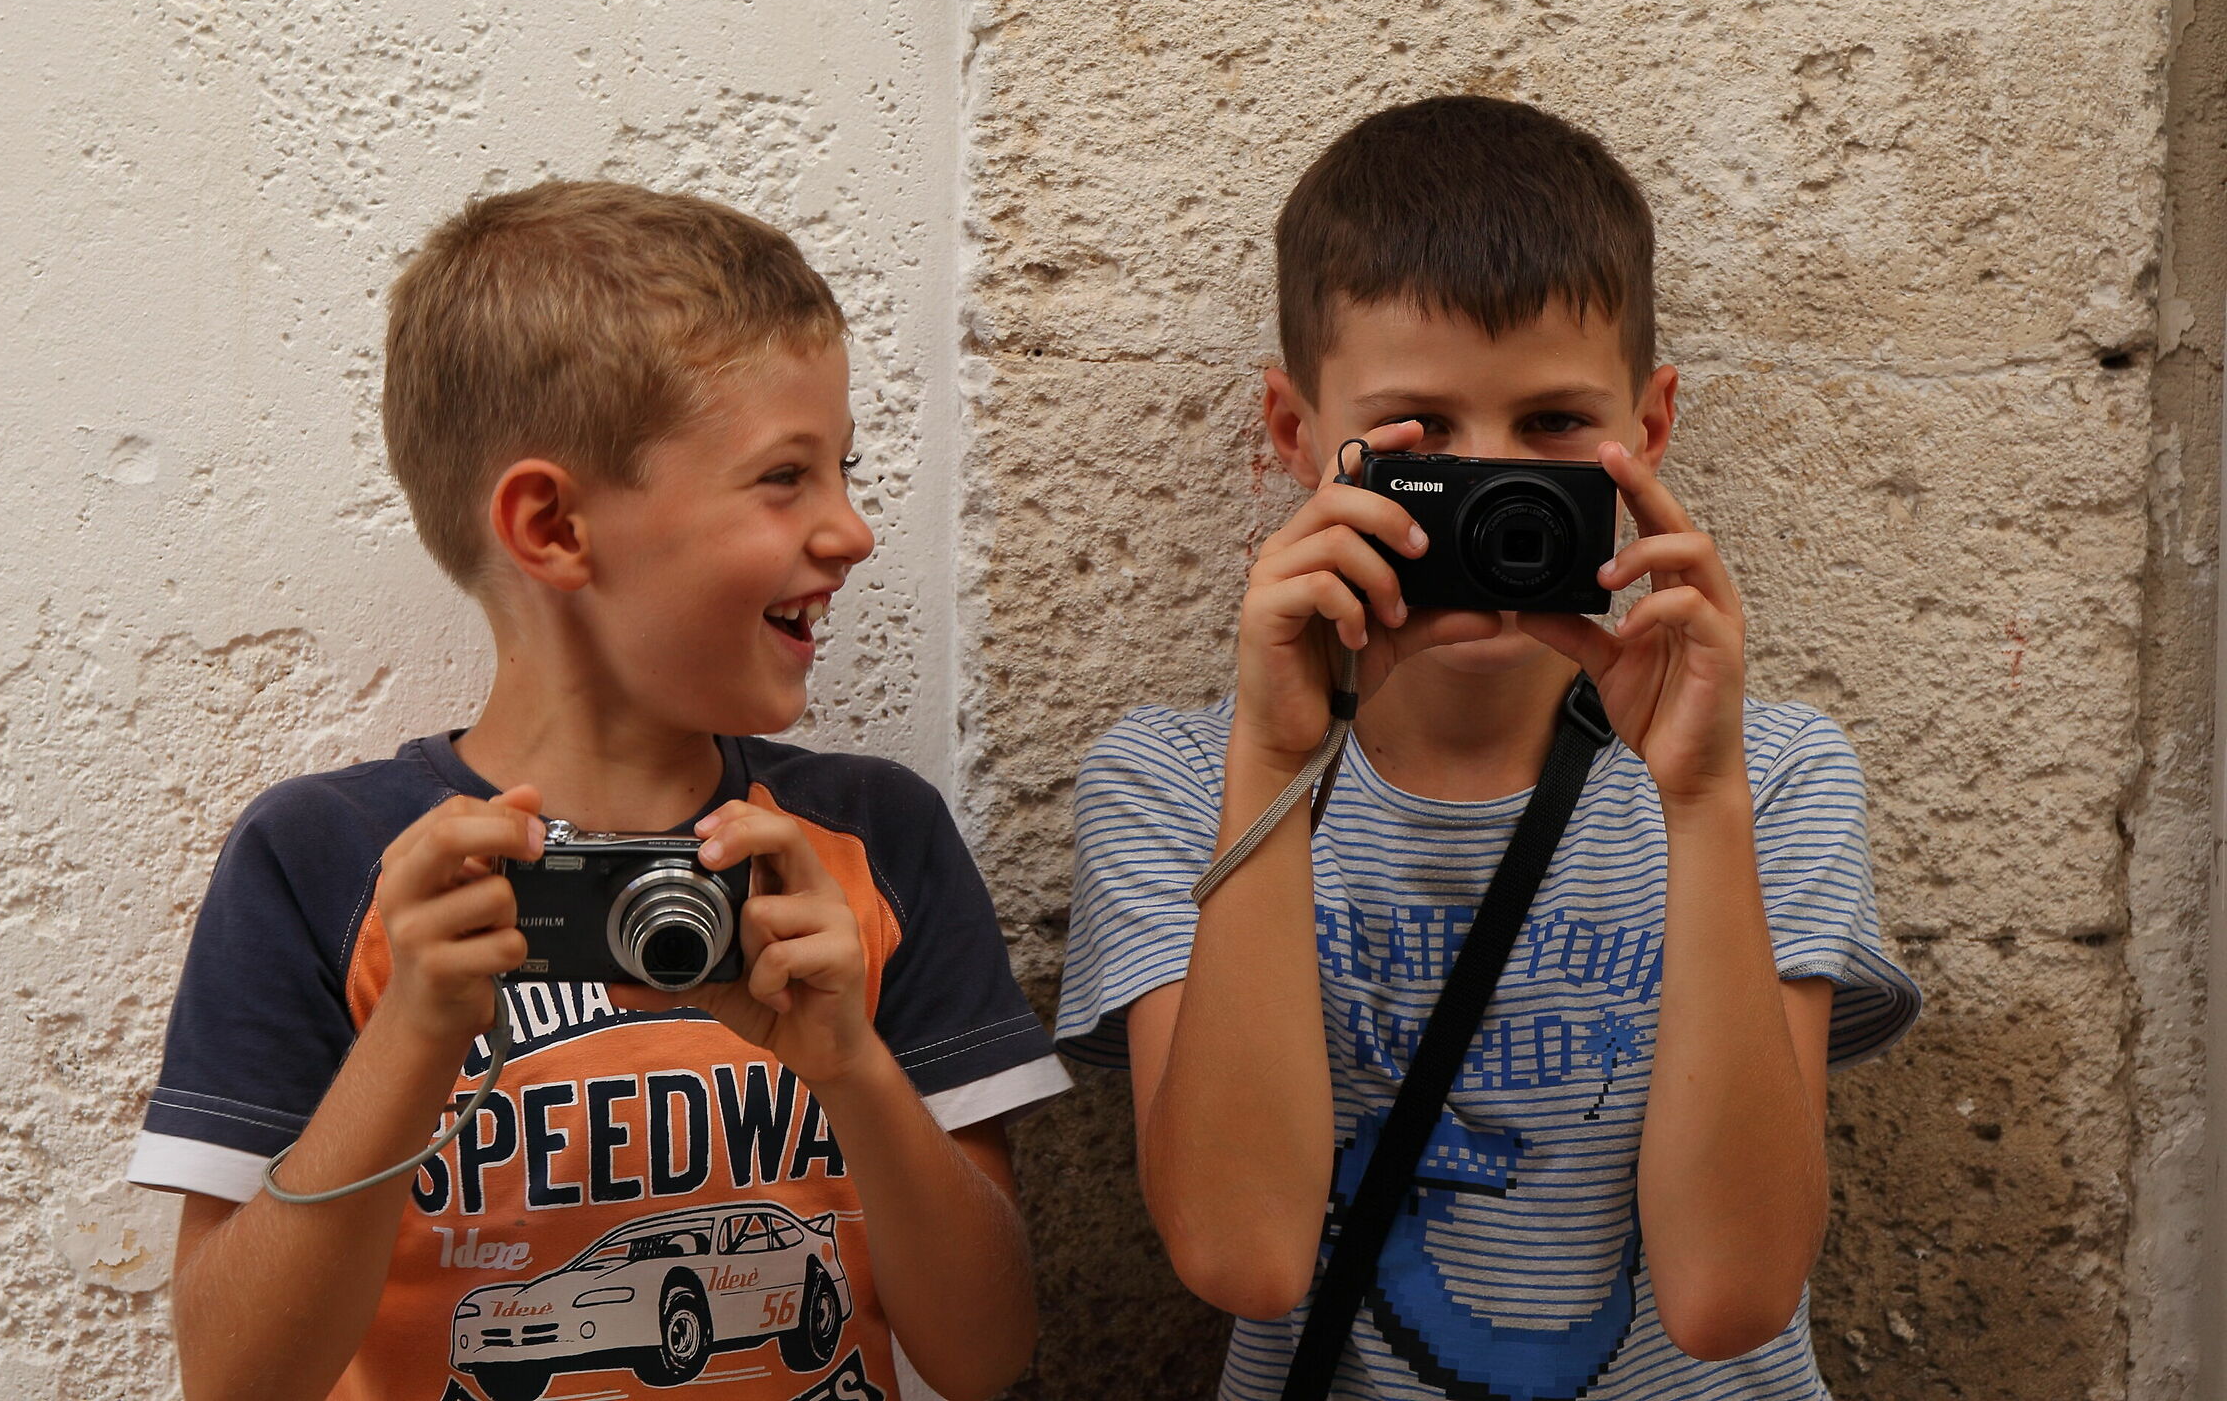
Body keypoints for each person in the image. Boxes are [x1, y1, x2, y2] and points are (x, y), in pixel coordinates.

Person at [128, 181, 1069, 1401]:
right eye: (787, 477)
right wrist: (410, 1039)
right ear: (553, 524)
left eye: (846, 467)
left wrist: (853, 1068)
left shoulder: (868, 842)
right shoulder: (325, 862)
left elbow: (986, 1351)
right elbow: (238, 1381)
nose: (853, 530)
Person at [1056, 96, 1920, 1400]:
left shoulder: (1777, 775)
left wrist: (1700, 799)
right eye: (1420, 437)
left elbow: (1729, 1294)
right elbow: (1244, 1257)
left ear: (1651, 426)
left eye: (1556, 428)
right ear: (1295, 436)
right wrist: (1279, 754)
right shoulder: (1174, 786)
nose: (1486, 485)